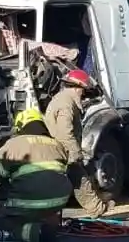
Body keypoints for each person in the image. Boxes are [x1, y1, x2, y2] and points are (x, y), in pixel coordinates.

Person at [0, 108, 72, 242]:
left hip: (28, 202)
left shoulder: (15, 143)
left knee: (2, 224)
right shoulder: (56, 144)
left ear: (20, 126)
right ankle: (48, 220)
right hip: (59, 201)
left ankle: (37, 233)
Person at [44, 68, 114, 218]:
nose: (84, 95)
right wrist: (75, 153)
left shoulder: (62, 99)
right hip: (63, 149)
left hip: (58, 149)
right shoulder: (66, 104)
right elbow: (65, 132)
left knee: (76, 179)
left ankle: (96, 207)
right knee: (80, 180)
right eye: (83, 90)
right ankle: (97, 209)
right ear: (77, 88)